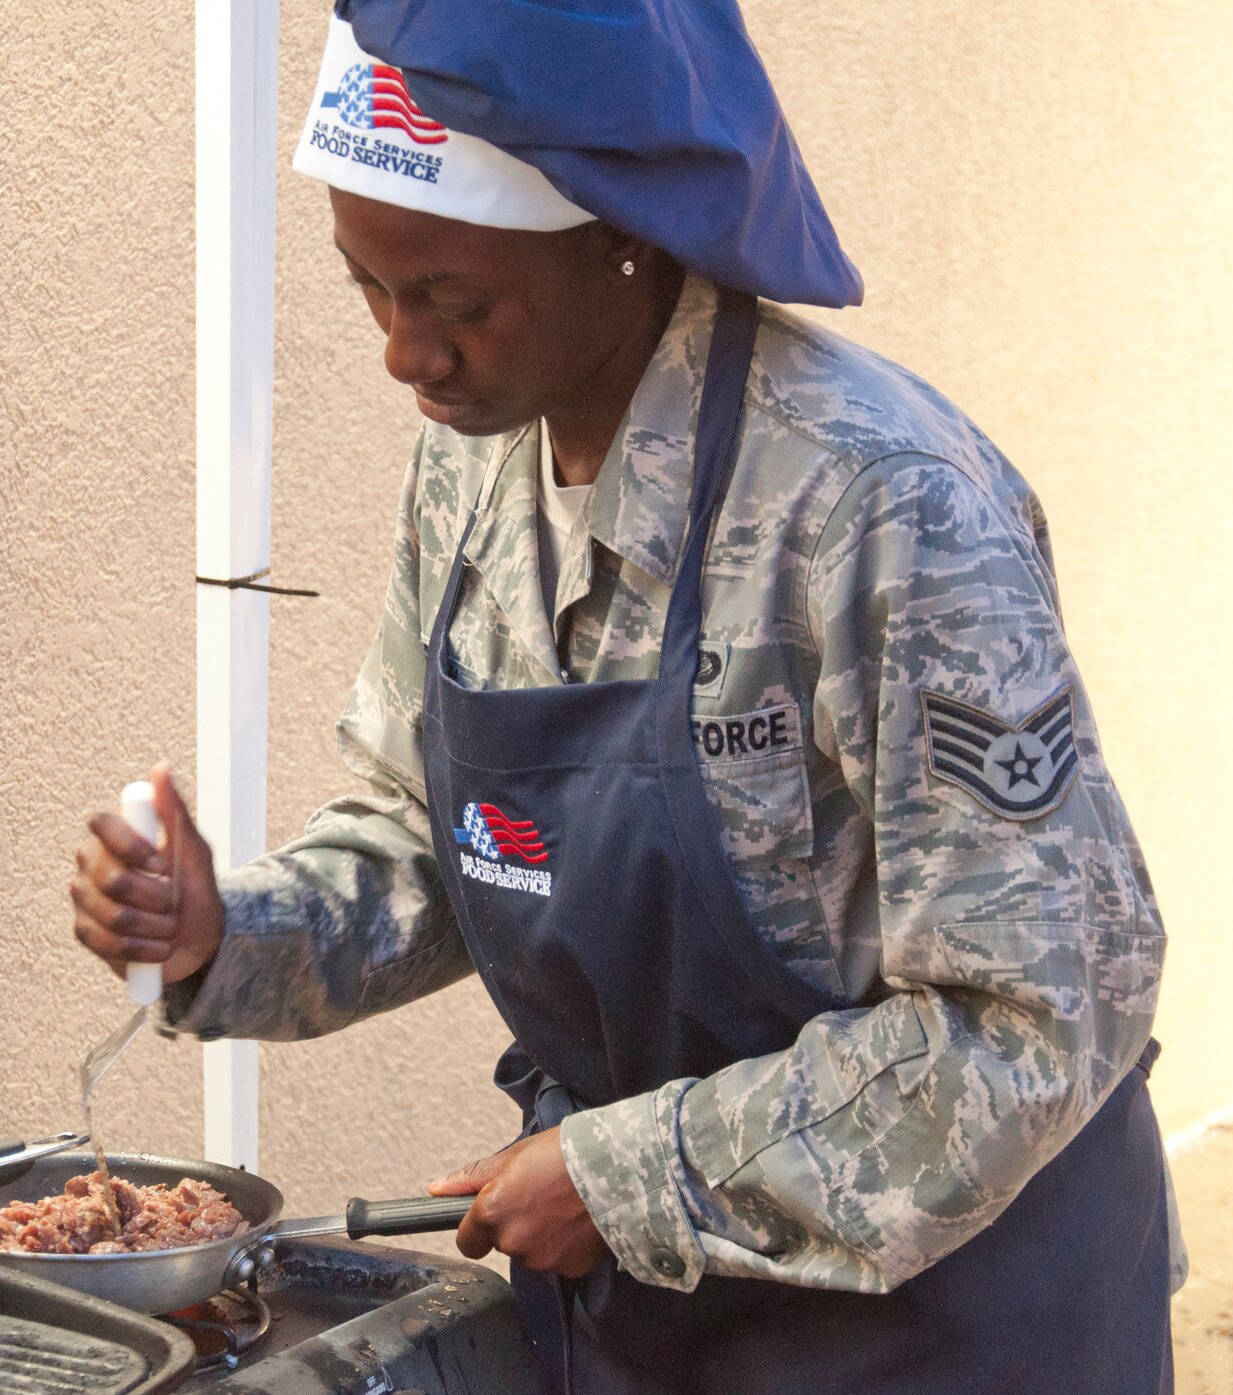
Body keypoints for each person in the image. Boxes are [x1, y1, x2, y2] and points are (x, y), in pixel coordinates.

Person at [69, 3, 1178, 1391]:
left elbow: (1034, 1024)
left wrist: (621, 1176)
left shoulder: (875, 505)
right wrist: (223, 928)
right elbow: (451, 840)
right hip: (655, 1322)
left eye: (455, 304)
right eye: (369, 290)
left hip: (951, 1325)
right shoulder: (473, 476)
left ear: (623, 233)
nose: (404, 357)